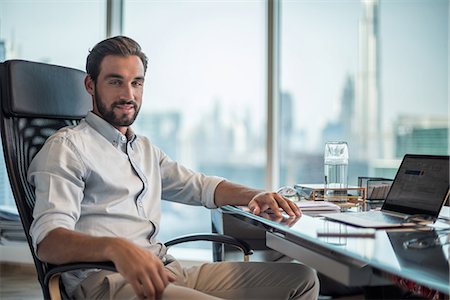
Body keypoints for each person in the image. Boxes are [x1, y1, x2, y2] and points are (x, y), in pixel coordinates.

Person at [28, 36, 319, 300]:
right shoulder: (67, 148)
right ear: (91, 85)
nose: (128, 94)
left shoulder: (143, 149)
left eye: (137, 82)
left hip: (164, 269)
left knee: (303, 280)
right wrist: (115, 248)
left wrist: (255, 194)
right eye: (115, 81)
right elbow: (48, 241)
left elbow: (200, 186)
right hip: (108, 282)